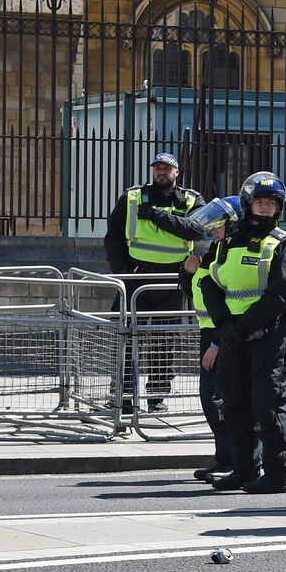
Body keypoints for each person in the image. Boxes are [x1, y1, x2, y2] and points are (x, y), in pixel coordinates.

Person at [200, 172, 286, 493]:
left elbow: (281, 291)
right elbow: (209, 282)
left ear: (279, 208)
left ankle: (277, 474)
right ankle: (244, 469)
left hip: (268, 335)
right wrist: (226, 325)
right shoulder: (228, 241)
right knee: (233, 402)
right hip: (234, 335)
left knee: (268, 402)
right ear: (247, 204)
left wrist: (242, 327)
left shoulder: (282, 243)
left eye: (270, 204)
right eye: (259, 202)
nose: (264, 208)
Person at [104, 152, 206, 413]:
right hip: (136, 278)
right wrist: (123, 271)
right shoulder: (132, 197)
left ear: (177, 172)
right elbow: (113, 237)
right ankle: (124, 396)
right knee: (126, 338)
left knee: (164, 342)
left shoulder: (191, 199)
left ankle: (157, 398)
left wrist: (155, 215)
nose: (161, 172)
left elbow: (194, 229)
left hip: (172, 279)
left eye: (166, 168)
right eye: (157, 168)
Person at [184, 195, 239, 483]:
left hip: (221, 336)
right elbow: (194, 291)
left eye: (219, 227)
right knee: (211, 400)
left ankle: (233, 460)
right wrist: (186, 272)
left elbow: (231, 303)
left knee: (221, 400)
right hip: (208, 332)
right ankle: (224, 458)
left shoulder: (230, 255)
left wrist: (217, 343)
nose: (214, 231)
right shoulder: (215, 253)